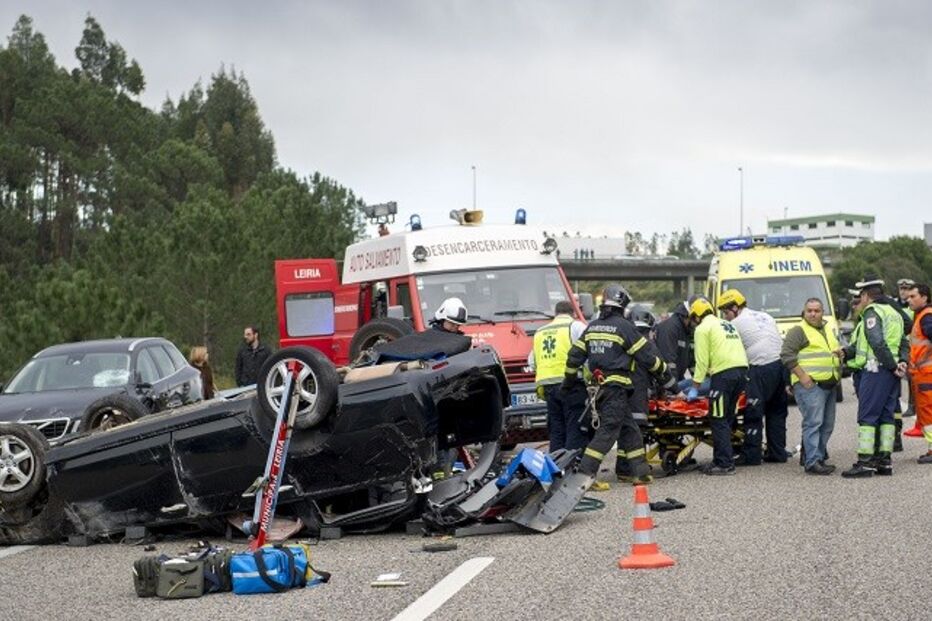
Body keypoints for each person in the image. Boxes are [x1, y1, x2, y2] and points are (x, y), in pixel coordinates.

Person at [563, 284, 674, 486]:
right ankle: (583, 477)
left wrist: (568, 383)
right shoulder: (624, 327)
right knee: (607, 432)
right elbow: (647, 357)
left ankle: (640, 473)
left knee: (630, 429)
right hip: (616, 388)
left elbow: (574, 357)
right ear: (622, 307)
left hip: (599, 389)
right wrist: (666, 377)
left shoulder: (593, 326)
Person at [841, 276, 909, 478]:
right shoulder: (894, 313)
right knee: (887, 417)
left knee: (868, 416)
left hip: (876, 370)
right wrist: (900, 362)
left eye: (860, 296)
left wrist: (891, 365)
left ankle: (865, 462)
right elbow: (904, 341)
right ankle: (884, 461)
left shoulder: (873, 312)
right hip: (890, 373)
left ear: (865, 295)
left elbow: (877, 343)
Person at [717, 289, 789, 465]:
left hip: (760, 368)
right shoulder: (765, 316)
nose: (725, 316)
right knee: (777, 412)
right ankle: (777, 453)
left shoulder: (735, 324)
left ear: (735, 307)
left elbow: (731, 351)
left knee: (753, 413)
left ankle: (751, 456)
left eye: (726, 312)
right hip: (780, 366)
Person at [780, 298, 842, 475]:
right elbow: (786, 355)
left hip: (829, 384)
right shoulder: (798, 331)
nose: (813, 314)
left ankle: (819, 457)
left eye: (817, 310)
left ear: (822, 312)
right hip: (810, 385)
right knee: (813, 423)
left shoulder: (827, 329)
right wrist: (802, 376)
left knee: (827, 425)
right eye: (810, 311)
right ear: (804, 312)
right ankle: (812, 461)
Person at [689, 297, 749, 475]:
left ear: (697, 315)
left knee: (717, 418)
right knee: (727, 418)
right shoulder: (726, 324)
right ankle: (721, 459)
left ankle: (724, 464)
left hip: (723, 375)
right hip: (741, 372)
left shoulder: (702, 328)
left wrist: (695, 386)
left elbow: (701, 361)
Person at [528, 300, 588, 452]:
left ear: (555, 314)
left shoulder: (540, 331)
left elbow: (532, 362)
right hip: (571, 384)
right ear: (573, 313)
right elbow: (587, 355)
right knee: (575, 427)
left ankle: (556, 466)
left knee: (556, 429)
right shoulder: (576, 326)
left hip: (548, 388)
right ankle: (572, 467)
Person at [905, 283, 932, 463]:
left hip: (927, 373)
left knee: (928, 413)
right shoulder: (921, 316)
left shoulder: (926, 317)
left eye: (913, 296)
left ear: (924, 297)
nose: (909, 300)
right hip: (923, 372)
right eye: (908, 297)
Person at [654, 301, 692, 383]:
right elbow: (669, 361)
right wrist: (674, 388)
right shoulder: (670, 329)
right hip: (667, 379)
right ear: (687, 316)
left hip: (677, 377)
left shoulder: (684, 330)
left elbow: (689, 359)